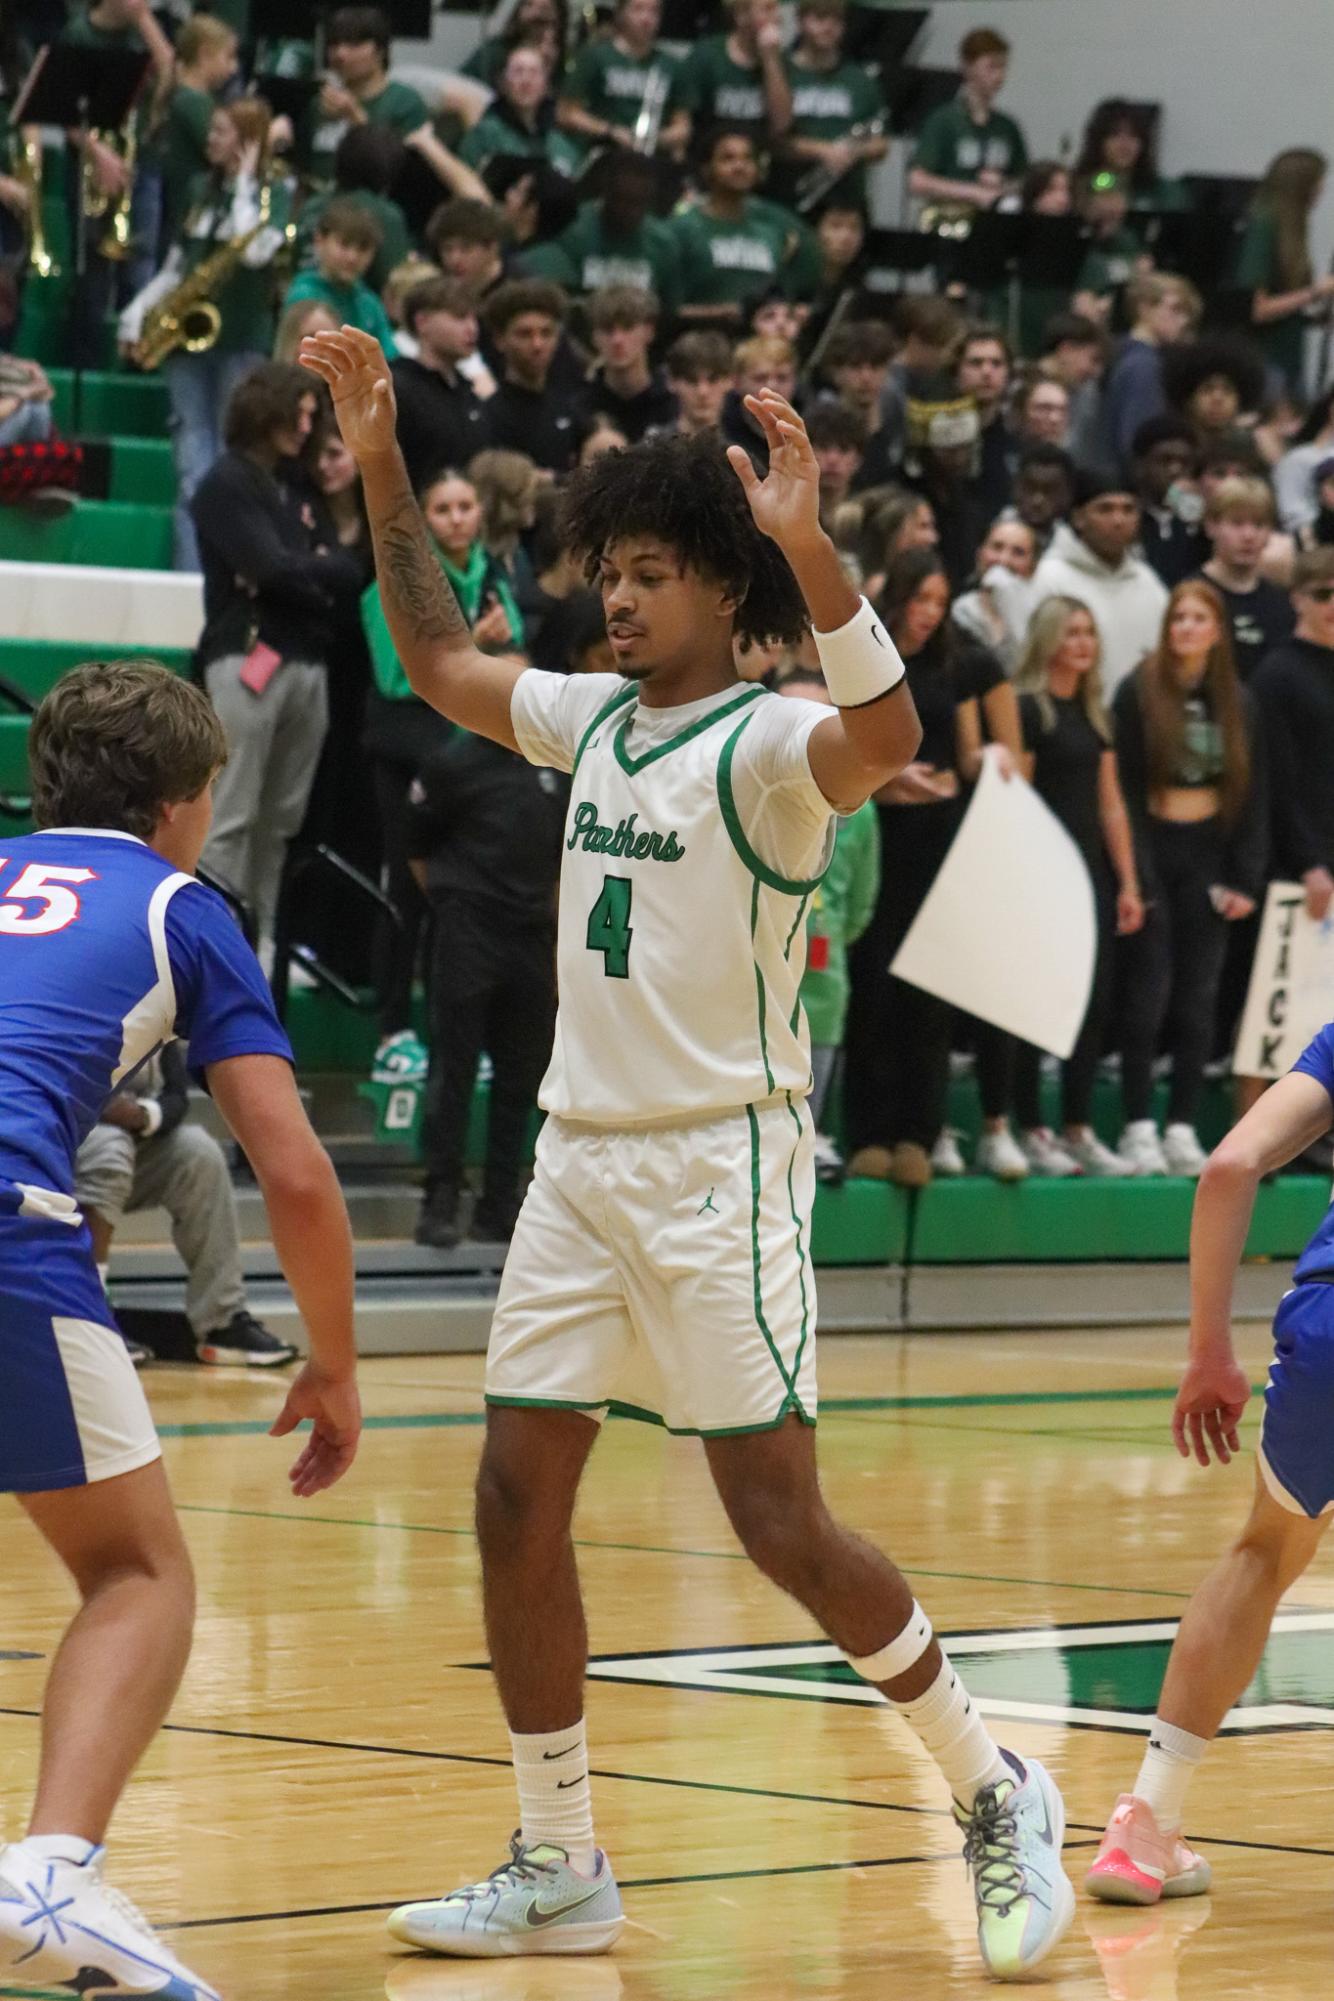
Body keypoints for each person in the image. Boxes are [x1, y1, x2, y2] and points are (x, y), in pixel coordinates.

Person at [302, 321, 1074, 1980]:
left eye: (653, 573)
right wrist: (377, 459)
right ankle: (558, 1853)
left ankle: (989, 1781)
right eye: (610, 572)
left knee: (774, 1521)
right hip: (575, 1161)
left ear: (728, 593)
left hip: (720, 1165)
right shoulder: (584, 719)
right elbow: (434, 662)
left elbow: (880, 740)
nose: (620, 599)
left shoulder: (773, 749)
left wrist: (810, 542)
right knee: (513, 1495)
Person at [0, 659, 360, 1998]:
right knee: (138, 1574)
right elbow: (298, 1172)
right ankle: (50, 1876)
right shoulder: (181, 907)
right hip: (9, 1231)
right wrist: (332, 1361)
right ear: (185, 805)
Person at [1084, 1015, 1334, 1902]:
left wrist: (1207, 1351)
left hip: (1326, 1330)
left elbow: (1228, 1165)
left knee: (1265, 1550)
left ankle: (1145, 1825)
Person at [194, 362, 365, 960]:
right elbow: (274, 568)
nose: (306, 425)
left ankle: (257, 951)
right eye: (298, 412)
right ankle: (210, 951)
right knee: (232, 817)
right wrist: (310, 567)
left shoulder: (297, 488)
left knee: (281, 824)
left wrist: (297, 571)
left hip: (306, 663)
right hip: (246, 656)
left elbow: (346, 571)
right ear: (264, 410)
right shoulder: (225, 482)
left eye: (312, 416)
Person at [362, 464, 524, 1092]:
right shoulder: (398, 579)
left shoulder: (495, 574)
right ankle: (392, 1033)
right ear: (423, 520)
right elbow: (395, 674)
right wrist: (471, 658)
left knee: (458, 899)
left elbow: (520, 656)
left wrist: (483, 659)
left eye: (465, 506)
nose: (457, 518)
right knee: (405, 890)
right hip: (409, 758)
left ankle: (450, 1033)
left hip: (474, 764)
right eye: (442, 508)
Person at [845, 550, 987, 1187]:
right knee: (872, 983)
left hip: (935, 836)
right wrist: (887, 779)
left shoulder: (951, 667)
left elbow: (966, 761)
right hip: (875, 832)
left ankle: (919, 1133)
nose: (930, 614)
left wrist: (954, 779)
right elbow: (841, 743)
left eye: (939, 601)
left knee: (927, 990)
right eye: (921, 599)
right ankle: (868, 1131)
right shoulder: (864, 661)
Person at [1114, 581, 1265, 1177]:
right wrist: (1137, 874)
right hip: (1154, 847)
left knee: (1198, 1000)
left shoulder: (1239, 701)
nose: (1187, 628)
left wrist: (1243, 878)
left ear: (1218, 629)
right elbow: (1121, 787)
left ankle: (1180, 1125)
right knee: (1147, 993)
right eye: (1179, 618)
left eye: (1200, 618)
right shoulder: (1139, 691)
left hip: (1210, 857)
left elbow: (1255, 796)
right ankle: (1137, 1125)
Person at [407, 707, 565, 1251]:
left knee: (521, 1079)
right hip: (467, 930)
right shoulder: (453, 763)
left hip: (532, 938)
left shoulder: (555, 768)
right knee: (454, 1072)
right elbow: (417, 851)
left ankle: (500, 1205)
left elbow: (565, 864)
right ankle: (440, 1200)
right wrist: (456, 904)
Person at [120, 96, 292, 572]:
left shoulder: (274, 192)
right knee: (192, 465)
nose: (211, 140)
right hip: (188, 341)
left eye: (221, 132)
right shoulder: (199, 186)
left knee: (233, 463)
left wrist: (244, 183)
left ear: (248, 141)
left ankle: (231, 573)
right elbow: (178, 264)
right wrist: (138, 311)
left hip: (241, 341)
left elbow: (254, 251)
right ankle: (189, 575)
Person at [1011, 598, 1142, 1177]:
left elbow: (1111, 805)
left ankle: (1078, 1127)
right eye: (1072, 633)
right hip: (1042, 875)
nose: (1084, 643)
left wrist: (1129, 883)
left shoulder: (1096, 713)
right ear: (1048, 641)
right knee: (1036, 1005)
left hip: (1092, 875)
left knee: (1090, 1005)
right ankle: (1032, 1127)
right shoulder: (1028, 709)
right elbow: (1020, 802)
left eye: (1091, 632)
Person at [75, 1044, 300, 1366]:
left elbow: (176, 1097)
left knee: (198, 1154)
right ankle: (90, 1314)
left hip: (127, 1138)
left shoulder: (154, 1004)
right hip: (51, 1149)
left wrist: (141, 1115)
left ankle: (222, 1322)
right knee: (110, 1145)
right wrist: (98, 1109)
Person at [776, 665, 880, 1181]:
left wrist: (830, 936)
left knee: (817, 1060)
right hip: (753, 977)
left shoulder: (858, 808)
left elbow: (861, 901)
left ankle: (809, 1143)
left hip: (823, 975)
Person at [1030, 466, 1168, 695]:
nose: (1118, 520)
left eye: (1128, 510)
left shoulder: (1148, 582)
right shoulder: (1049, 579)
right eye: (1105, 509)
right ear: (1078, 518)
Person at [1251, 547, 1334, 923]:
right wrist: (1308, 863)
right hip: (1302, 871)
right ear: (1297, 599)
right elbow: (1275, 783)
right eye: (1323, 595)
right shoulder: (1276, 676)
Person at [671, 127, 817, 326]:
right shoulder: (682, 229)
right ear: (707, 169)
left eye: (747, 159)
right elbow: (664, 309)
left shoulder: (771, 233)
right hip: (699, 344)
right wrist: (718, 313)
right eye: (727, 159)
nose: (739, 166)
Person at [523, 150, 684, 312]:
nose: (630, 211)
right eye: (622, 200)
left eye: (638, 203)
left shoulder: (663, 243)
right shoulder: (571, 230)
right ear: (606, 193)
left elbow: (670, 310)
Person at [298, 2, 429, 189]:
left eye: (354, 44)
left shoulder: (405, 103)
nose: (340, 54)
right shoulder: (318, 104)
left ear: (380, 51)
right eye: (334, 44)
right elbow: (304, 171)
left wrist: (356, 119)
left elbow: (406, 178)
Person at [1234, 148, 1333, 395]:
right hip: (1265, 363)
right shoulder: (1264, 226)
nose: (1322, 189)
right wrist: (1315, 292)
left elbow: (1287, 308)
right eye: (1318, 181)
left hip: (1288, 360)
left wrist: (1318, 318)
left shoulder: (1293, 230)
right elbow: (1259, 309)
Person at [908, 26, 1027, 225]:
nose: (999, 75)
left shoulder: (1007, 126)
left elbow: (1023, 180)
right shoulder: (944, 121)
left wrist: (1004, 185)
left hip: (992, 224)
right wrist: (973, 192)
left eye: (1003, 67)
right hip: (948, 220)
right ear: (968, 67)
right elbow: (917, 181)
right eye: (991, 67)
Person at [782, 0, 887, 215]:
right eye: (820, 19)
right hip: (790, 196)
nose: (828, 27)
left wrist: (852, 151)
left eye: (836, 21)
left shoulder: (860, 80)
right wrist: (823, 151)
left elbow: (881, 143)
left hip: (847, 200)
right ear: (800, 22)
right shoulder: (783, 74)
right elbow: (770, 138)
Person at [390, 273, 491, 491]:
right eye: (460, 317)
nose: (472, 328)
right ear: (422, 322)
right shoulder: (398, 387)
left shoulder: (468, 391)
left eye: (474, 318)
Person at [556, 0, 689, 164]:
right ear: (620, 14)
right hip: (604, 151)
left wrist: (655, 138)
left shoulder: (671, 65)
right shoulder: (595, 57)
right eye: (638, 9)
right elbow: (566, 113)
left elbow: (683, 127)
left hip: (653, 158)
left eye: (654, 11)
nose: (646, 18)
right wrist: (611, 131)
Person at [483, 278, 591, 474]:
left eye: (546, 333)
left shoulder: (568, 408)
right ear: (500, 340)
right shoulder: (490, 415)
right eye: (525, 334)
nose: (537, 345)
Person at [1102, 272, 1198, 477]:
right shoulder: (1144, 365)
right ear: (1144, 308)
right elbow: (1139, 443)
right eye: (1175, 309)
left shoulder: (1118, 354)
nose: (1182, 321)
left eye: (1186, 314)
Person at [1199, 475, 1295, 680]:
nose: (1249, 535)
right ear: (1211, 526)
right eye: (1237, 523)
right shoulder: (1194, 595)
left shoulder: (1281, 602)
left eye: (1259, 524)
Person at [157, 11, 239, 245]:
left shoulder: (189, 97)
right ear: (204, 55)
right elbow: (225, 151)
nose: (234, 69)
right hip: (187, 212)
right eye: (229, 57)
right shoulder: (192, 101)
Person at [283, 196, 398, 355]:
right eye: (344, 244)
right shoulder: (304, 295)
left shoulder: (370, 303)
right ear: (319, 240)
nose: (353, 257)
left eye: (363, 248)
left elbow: (389, 356)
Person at [680, 0, 792, 152]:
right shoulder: (706, 56)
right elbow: (684, 119)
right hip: (710, 158)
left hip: (757, 161)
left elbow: (781, 125)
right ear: (741, 16)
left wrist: (770, 60)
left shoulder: (780, 61)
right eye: (768, 10)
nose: (777, 17)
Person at [460, 42, 582, 178]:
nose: (526, 81)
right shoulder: (483, 137)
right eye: (518, 71)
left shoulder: (561, 146)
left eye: (534, 72)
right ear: (503, 82)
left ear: (546, 84)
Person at [584, 285, 678, 441]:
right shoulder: (580, 408)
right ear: (594, 336)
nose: (617, 340)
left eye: (628, 327)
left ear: (649, 331)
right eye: (608, 330)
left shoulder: (673, 405)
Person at [950, 511, 1038, 672]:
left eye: (1018, 552)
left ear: (1032, 566)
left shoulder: (1041, 612)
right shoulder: (962, 609)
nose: (1003, 560)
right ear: (980, 554)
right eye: (997, 547)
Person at [1130, 414, 1207, 587]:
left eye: (1184, 463)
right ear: (1140, 467)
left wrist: (1198, 520)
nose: (1175, 470)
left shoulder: (1202, 523)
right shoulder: (1128, 518)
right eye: (1165, 461)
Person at [1074, 98, 1188, 215]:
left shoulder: (1165, 192)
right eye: (1115, 134)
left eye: (1133, 135)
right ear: (1099, 141)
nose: (1125, 144)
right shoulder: (1077, 186)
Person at [1161, 335, 1267, 448]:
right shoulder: (1170, 451)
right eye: (1207, 389)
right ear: (1188, 399)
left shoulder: (1247, 453)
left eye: (1228, 390)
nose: (1217, 398)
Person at [953, 322, 1012, 519]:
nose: (987, 372)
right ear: (956, 372)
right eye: (976, 363)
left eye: (996, 363)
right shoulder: (937, 439)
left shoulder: (1016, 440)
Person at [663, 328, 733, 436]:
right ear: (671, 382)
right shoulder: (648, 451)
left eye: (713, 380)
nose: (702, 392)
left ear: (730, 380)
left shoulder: (743, 452)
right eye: (691, 380)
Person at [806, 401, 864, 523]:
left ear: (858, 460)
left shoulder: (868, 520)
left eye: (844, 449)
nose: (833, 459)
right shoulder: (787, 516)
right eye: (823, 447)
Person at [1011, 442, 1075, 552]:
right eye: (1030, 488)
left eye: (1049, 491)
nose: (1037, 501)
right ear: (1016, 488)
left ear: (1067, 495)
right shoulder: (988, 534)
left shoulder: (1073, 549)